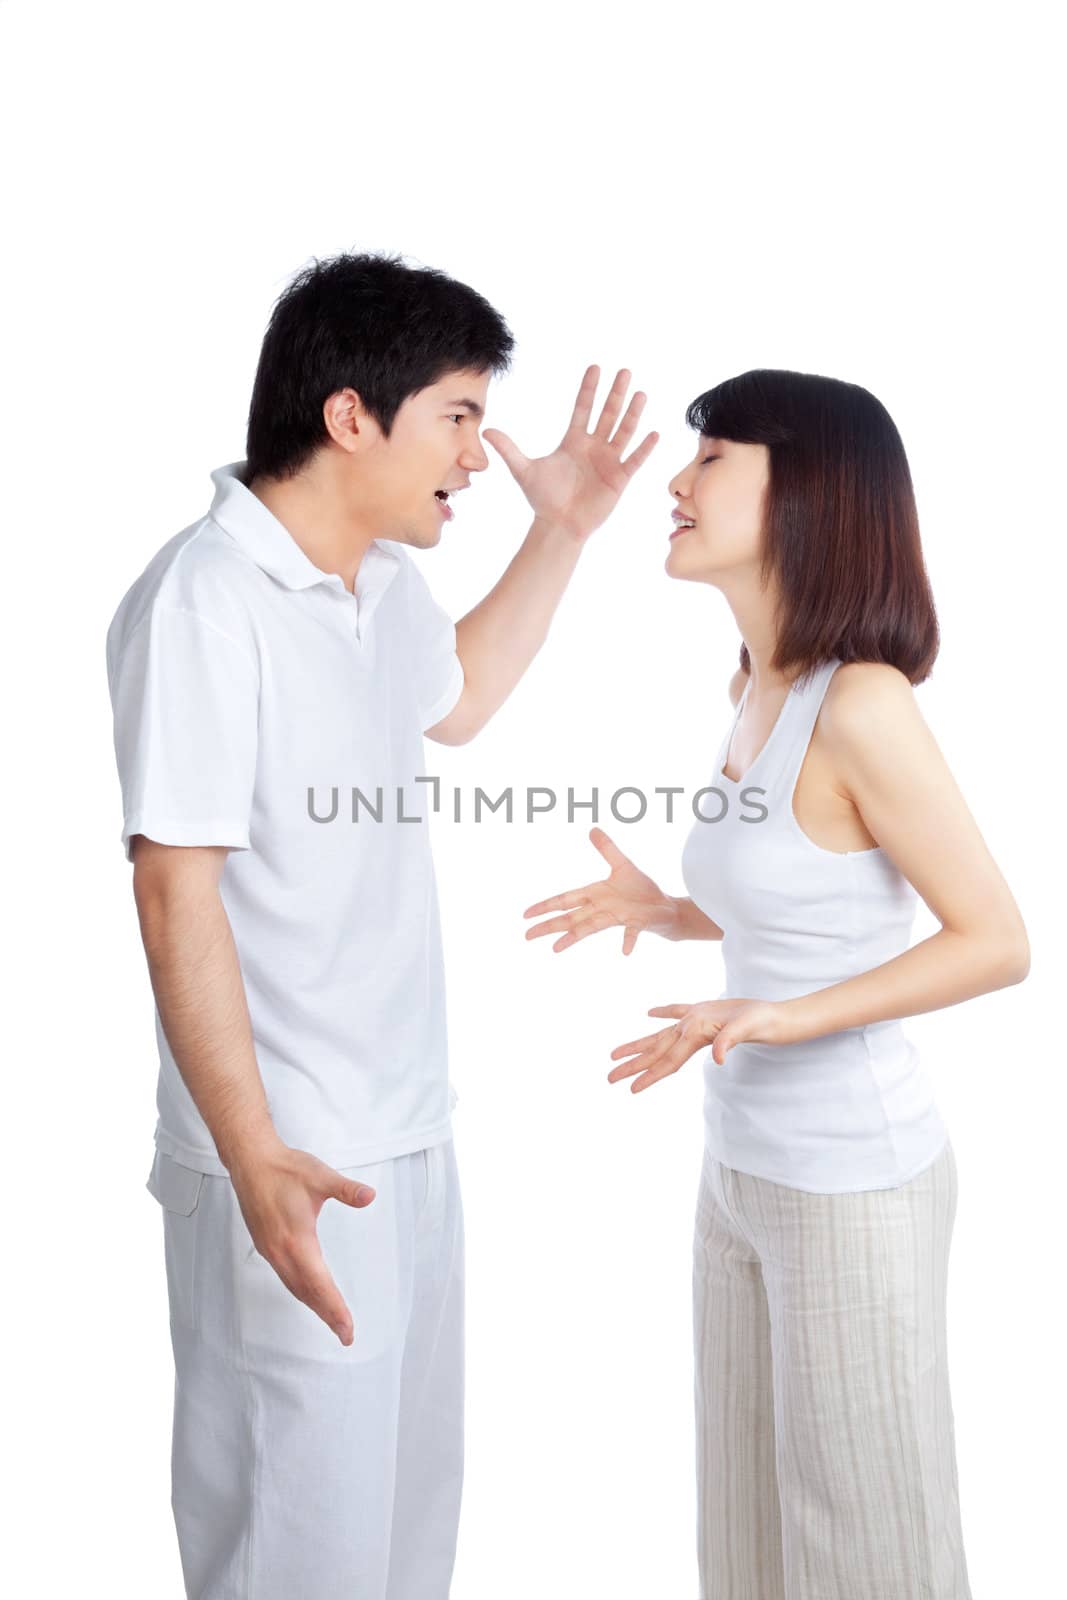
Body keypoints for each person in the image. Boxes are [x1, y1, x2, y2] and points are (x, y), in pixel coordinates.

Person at [104, 249, 658, 1599]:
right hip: (288, 1156)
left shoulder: (371, 585)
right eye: (457, 419)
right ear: (351, 415)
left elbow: (456, 697)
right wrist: (255, 1160)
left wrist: (564, 531)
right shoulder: (202, 601)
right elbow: (172, 888)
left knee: (404, 1540)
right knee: (297, 1552)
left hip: (407, 1133)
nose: (477, 459)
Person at [523, 368, 1030, 1599]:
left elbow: (995, 939)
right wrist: (665, 909)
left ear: (800, 492)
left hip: (851, 1180)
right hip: (738, 1172)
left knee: (866, 1543)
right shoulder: (755, 686)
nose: (678, 484)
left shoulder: (861, 703)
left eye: (711, 459)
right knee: (745, 1540)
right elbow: (800, 898)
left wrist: (778, 1017)